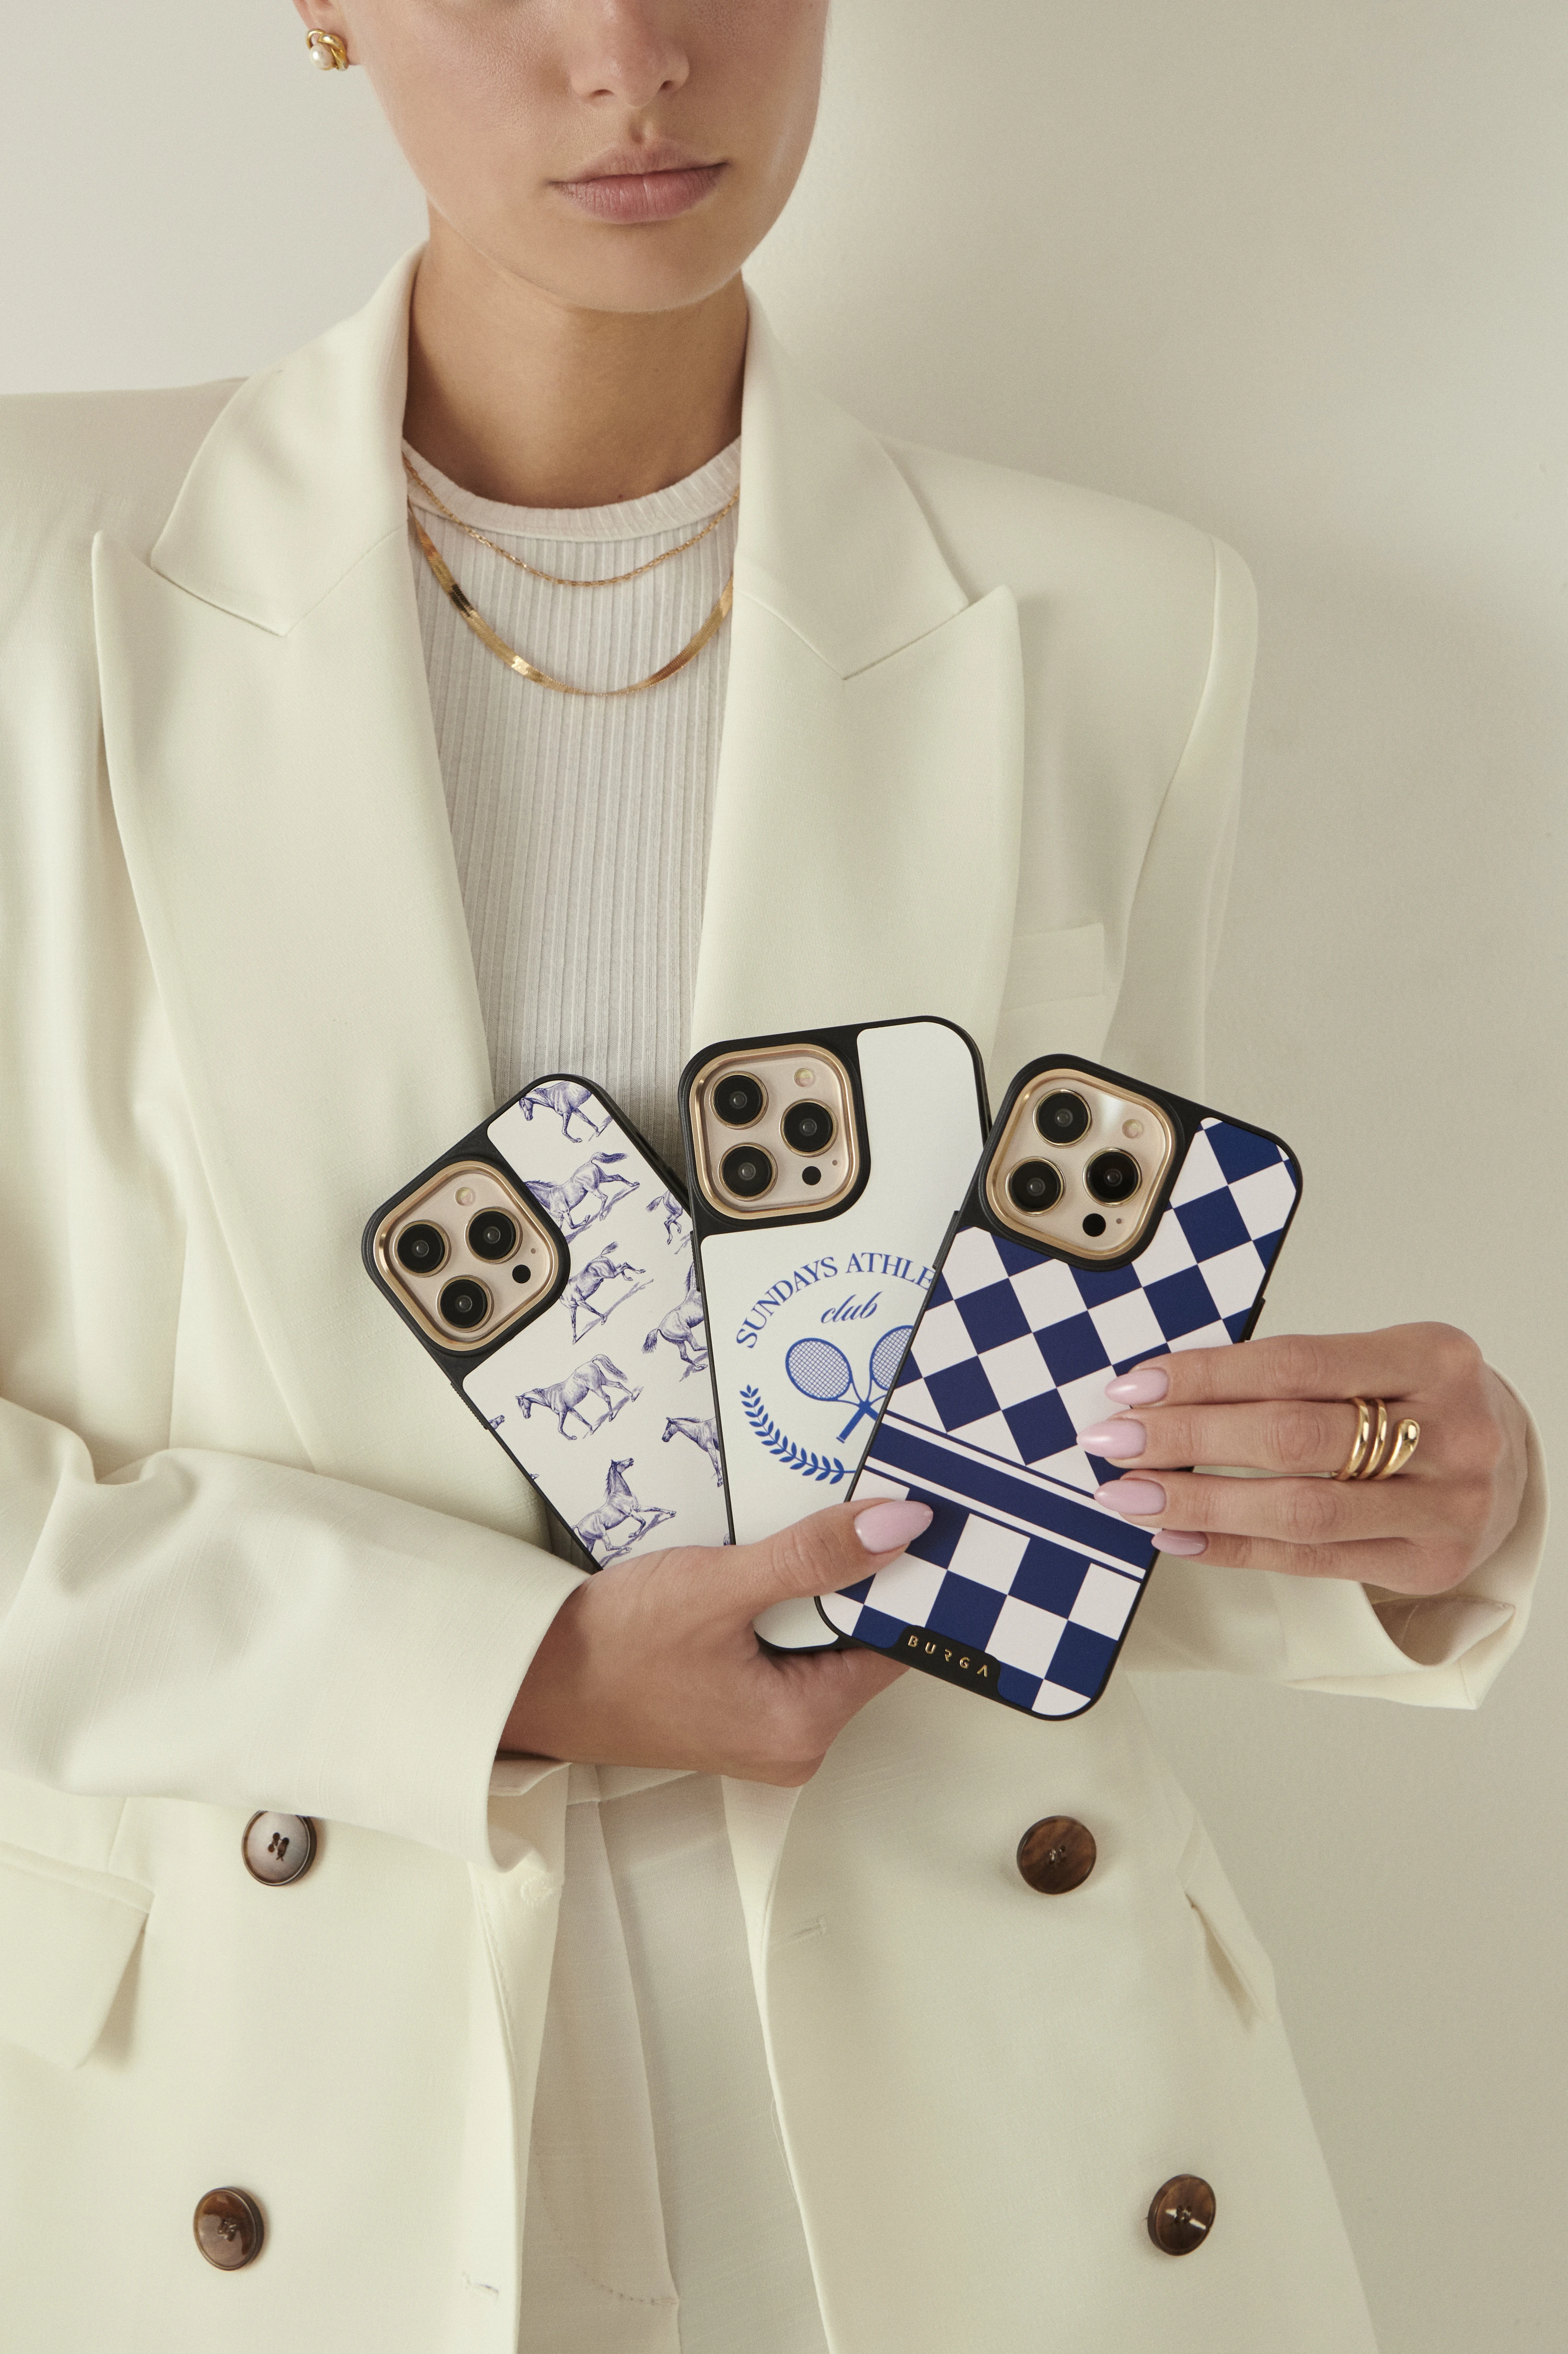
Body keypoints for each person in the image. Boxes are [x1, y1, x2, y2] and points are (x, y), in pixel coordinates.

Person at [0, 4, 1542, 2348]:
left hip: (979, 2114)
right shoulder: (39, 582)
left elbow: (1019, 1443)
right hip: (281, 2100)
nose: (631, 54)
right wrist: (501, 1666)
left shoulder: (1118, 630)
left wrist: (1406, 1515)